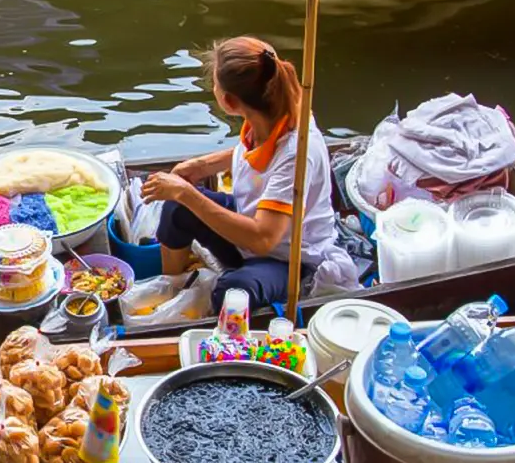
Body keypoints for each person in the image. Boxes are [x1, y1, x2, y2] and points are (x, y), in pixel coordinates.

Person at [142, 36, 356, 311]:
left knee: (231, 293)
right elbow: (254, 154)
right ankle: (170, 291)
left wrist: (186, 192)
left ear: (229, 102)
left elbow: (263, 239)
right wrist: (204, 166)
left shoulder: (297, 151)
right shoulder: (271, 113)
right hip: (247, 218)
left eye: (215, 86)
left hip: (289, 259)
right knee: (176, 208)